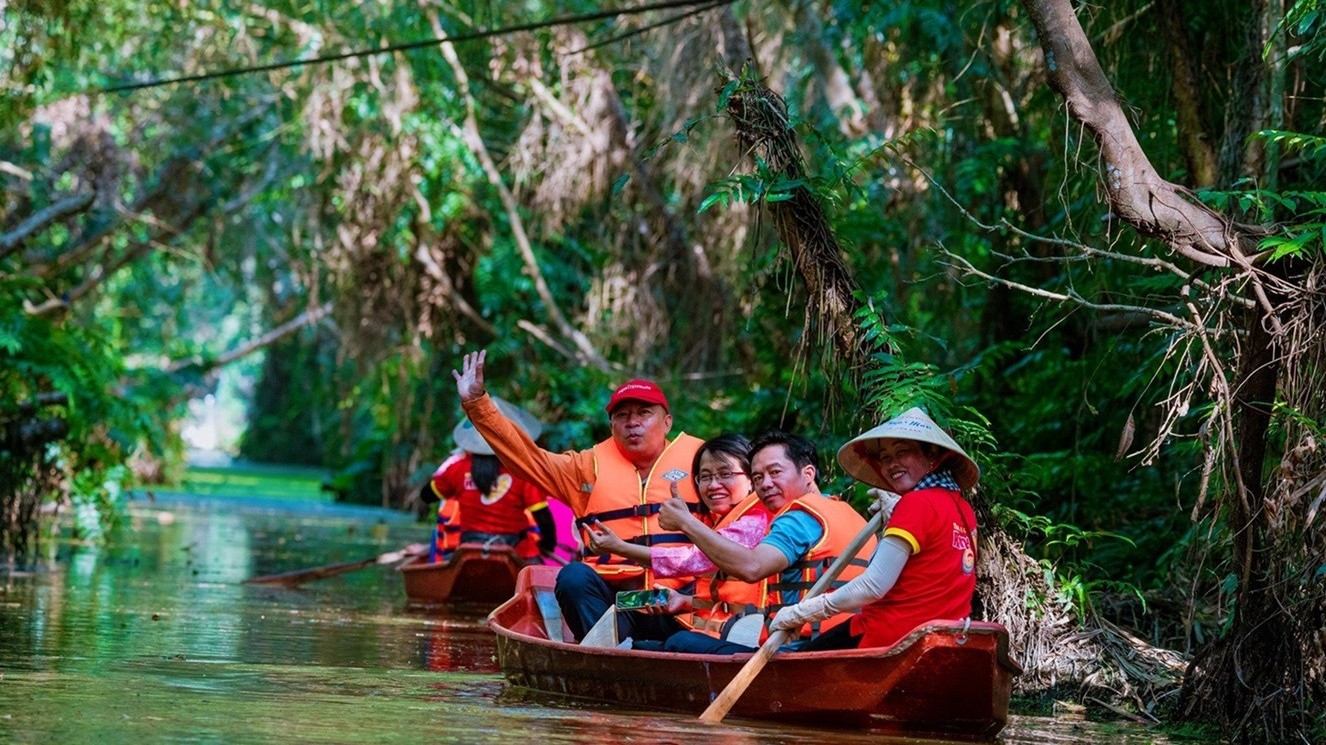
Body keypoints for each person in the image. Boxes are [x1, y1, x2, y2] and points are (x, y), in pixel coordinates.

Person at [452, 350, 704, 642]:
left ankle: (669, 645)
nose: (632, 423)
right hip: (616, 605)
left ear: (667, 423)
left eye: (643, 413)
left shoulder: (703, 463)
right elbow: (527, 458)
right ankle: (612, 650)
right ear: (612, 427)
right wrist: (477, 403)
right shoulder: (585, 468)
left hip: (682, 603)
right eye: (622, 416)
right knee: (572, 577)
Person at [769, 407, 980, 651]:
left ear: (931, 454)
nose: (892, 464)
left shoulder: (917, 503)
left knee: (797, 667)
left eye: (902, 452)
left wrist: (802, 612)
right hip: (941, 639)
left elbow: (873, 586)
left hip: (893, 638)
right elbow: (925, 574)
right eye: (885, 457)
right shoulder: (964, 510)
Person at [650, 430, 876, 654]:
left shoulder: (798, 519)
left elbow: (752, 567)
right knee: (656, 644)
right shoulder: (850, 514)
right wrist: (688, 601)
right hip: (848, 641)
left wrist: (686, 523)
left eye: (775, 472)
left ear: (808, 473)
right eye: (757, 477)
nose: (765, 484)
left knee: (679, 641)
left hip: (802, 650)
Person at [582, 433, 770, 645]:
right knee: (577, 578)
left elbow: (693, 559)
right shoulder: (723, 520)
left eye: (725, 474)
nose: (714, 485)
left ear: (752, 479)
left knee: (678, 643)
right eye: (706, 477)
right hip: (712, 627)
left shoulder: (755, 521)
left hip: (743, 640)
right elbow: (721, 595)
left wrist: (620, 547)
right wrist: (683, 601)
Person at [418, 398, 558, 563]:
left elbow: (427, 496)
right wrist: (547, 545)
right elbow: (543, 519)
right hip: (515, 552)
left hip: (469, 550)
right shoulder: (522, 471)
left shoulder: (458, 468)